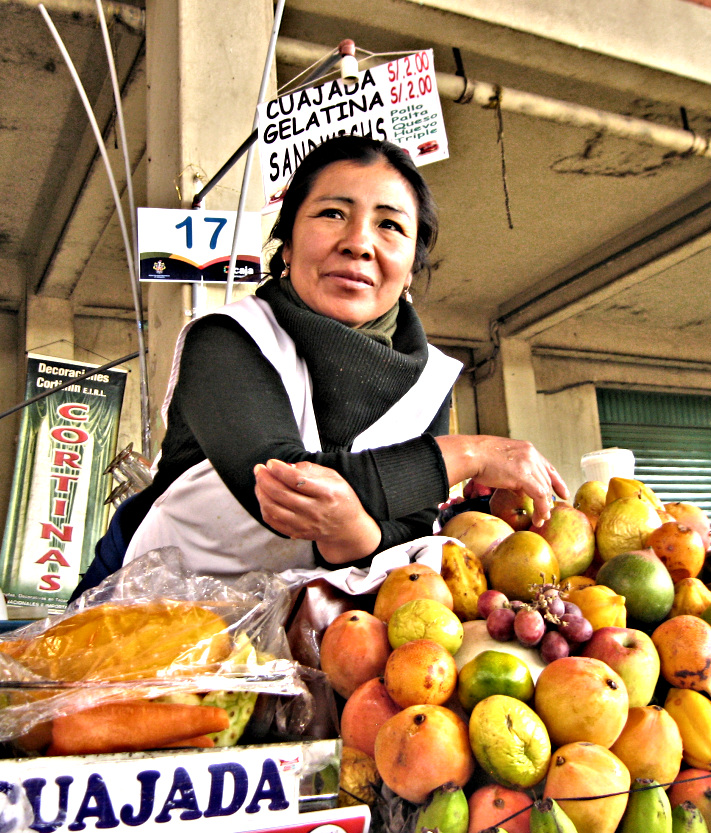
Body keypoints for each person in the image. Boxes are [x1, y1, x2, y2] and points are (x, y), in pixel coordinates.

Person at [73, 135, 567, 598]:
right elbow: (283, 485)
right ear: (287, 245)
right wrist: (470, 454)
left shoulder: (431, 382)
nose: (359, 242)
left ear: (412, 265)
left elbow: (409, 531)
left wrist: (354, 534)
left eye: (390, 224)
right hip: (154, 615)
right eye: (332, 213)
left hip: (302, 640)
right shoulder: (227, 339)